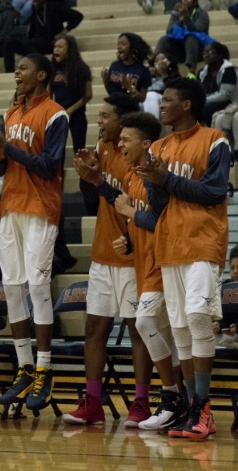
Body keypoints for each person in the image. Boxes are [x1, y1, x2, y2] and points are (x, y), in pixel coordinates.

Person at [135, 77, 230, 439]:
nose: (161, 105)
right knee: (180, 331)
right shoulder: (157, 147)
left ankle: (204, 408)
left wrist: (167, 179)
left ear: (186, 104)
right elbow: (160, 206)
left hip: (203, 242)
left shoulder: (214, 140)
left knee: (197, 319)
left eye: (168, 100)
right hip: (170, 245)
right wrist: (156, 183)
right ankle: (191, 409)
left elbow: (214, 192)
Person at [0, 53, 69, 411]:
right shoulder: (9, 113)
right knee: (12, 289)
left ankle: (45, 369)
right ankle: (24, 368)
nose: (17, 72)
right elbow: (0, 166)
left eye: (24, 68)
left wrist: (8, 148)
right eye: (16, 68)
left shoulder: (55, 113)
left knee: (37, 286)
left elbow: (49, 166)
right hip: (11, 206)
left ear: (42, 75)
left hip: (41, 207)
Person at [62, 93, 155, 427]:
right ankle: (92, 402)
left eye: (104, 117)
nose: (99, 122)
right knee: (94, 327)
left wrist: (98, 180)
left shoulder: (138, 155)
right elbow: (99, 200)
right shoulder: (101, 148)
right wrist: (90, 176)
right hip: (103, 252)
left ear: (123, 121)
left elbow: (127, 201)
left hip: (133, 255)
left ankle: (141, 402)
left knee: (137, 329)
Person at [110, 112, 187, 430]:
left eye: (125, 139)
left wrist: (128, 211)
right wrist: (127, 238)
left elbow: (160, 220)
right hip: (143, 262)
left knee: (145, 323)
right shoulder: (130, 175)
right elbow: (142, 219)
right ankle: (181, 400)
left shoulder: (156, 174)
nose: (120, 143)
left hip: (163, 262)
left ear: (145, 143)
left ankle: (171, 395)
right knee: (167, 333)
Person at [3, 0, 83, 73]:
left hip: (50, 42)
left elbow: (78, 16)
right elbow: (33, 27)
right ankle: (9, 72)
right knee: (9, 41)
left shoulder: (55, 6)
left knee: (29, 44)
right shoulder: (35, 7)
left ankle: (40, 68)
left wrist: (63, 32)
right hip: (34, 42)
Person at [50, 35, 92, 156]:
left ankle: (83, 175)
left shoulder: (82, 69)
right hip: (58, 114)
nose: (56, 49)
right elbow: (49, 92)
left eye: (60, 47)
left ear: (69, 49)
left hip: (77, 113)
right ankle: (59, 175)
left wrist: (70, 110)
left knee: (79, 151)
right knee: (58, 152)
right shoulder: (53, 68)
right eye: (55, 47)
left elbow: (88, 94)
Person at [153, 0, 210, 76]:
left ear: (195, 2)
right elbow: (169, 31)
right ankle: (156, 66)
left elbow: (198, 32)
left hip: (197, 51)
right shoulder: (176, 13)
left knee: (191, 38)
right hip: (180, 51)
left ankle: (191, 72)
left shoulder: (202, 13)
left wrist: (186, 17)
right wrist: (181, 19)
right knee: (164, 39)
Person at [101, 32, 152, 103]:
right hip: (114, 105)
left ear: (132, 47)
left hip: (131, 108)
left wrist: (130, 88)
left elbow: (143, 98)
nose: (119, 47)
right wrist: (106, 82)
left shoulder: (142, 70)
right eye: (118, 44)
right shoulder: (114, 65)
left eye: (123, 44)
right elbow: (111, 93)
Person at [198, 42, 238, 126]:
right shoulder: (203, 71)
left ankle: (210, 133)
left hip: (229, 102)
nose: (206, 55)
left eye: (210, 53)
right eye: (204, 53)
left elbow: (224, 95)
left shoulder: (228, 70)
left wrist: (203, 100)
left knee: (208, 107)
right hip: (208, 100)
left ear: (219, 55)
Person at [143, 52, 181, 119]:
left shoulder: (173, 77)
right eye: (157, 60)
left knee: (150, 95)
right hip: (145, 100)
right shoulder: (149, 76)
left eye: (163, 59)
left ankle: (151, 125)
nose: (160, 62)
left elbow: (173, 93)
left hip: (162, 99)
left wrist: (163, 73)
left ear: (169, 63)